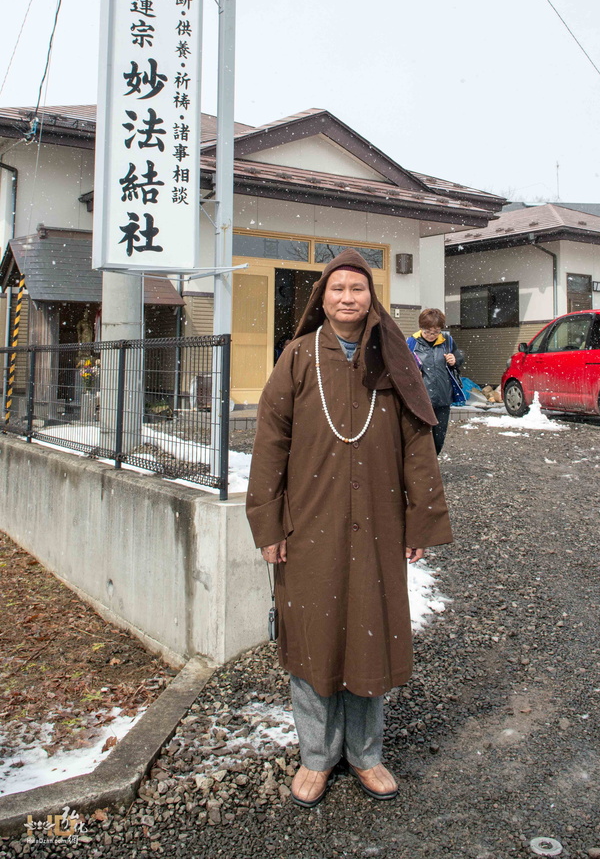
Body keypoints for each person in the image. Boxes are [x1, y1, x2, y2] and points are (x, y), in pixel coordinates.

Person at [246, 249, 452, 808]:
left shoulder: (393, 356)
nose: (346, 297)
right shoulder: (297, 356)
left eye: (357, 289)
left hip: (380, 523)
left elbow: (417, 443)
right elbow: (270, 443)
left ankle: (365, 754)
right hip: (309, 522)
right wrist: (268, 523)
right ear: (323, 296)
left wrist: (420, 521)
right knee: (314, 635)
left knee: (369, 636)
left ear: (370, 298)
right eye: (337, 288)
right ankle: (316, 756)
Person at [406, 309, 464, 456]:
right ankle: (421, 469)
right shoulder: (411, 343)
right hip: (421, 400)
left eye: (436, 332)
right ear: (421, 328)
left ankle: (431, 467)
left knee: (438, 439)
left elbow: (459, 356)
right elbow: (401, 367)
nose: (431, 335)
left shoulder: (447, 341)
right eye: (427, 332)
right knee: (419, 438)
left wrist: (454, 360)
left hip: (443, 399)